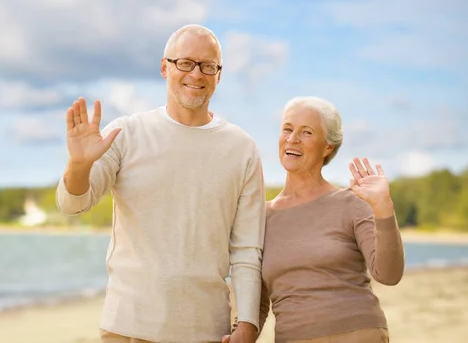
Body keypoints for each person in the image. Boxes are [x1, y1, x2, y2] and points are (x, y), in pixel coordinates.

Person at [56, 24, 266, 343]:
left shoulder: (242, 148)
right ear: (164, 67)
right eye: (185, 62)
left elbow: (247, 249)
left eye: (208, 66)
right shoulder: (126, 133)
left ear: (219, 75)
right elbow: (73, 203)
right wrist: (79, 164)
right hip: (128, 326)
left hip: (208, 329)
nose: (196, 74)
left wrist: (247, 324)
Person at [225, 96, 404, 343]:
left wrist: (383, 208)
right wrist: (241, 332)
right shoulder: (261, 217)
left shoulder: (351, 202)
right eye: (287, 129)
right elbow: (257, 301)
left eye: (306, 132)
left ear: (327, 147)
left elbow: (389, 274)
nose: (292, 139)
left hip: (358, 335)